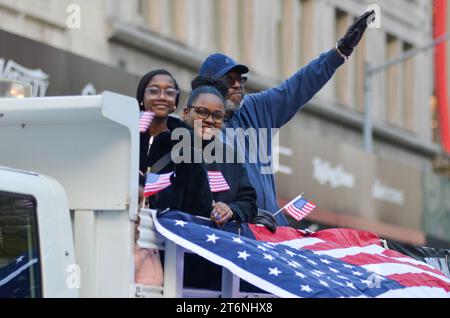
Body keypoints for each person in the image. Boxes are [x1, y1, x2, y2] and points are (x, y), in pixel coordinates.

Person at [198, 11, 375, 226]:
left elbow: (298, 86)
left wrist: (340, 52)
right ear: (208, 86)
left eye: (240, 80)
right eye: (229, 79)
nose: (237, 85)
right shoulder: (195, 129)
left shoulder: (254, 107)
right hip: (231, 234)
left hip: (271, 235)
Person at [136, 69, 213, 217]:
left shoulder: (188, 150)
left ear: (175, 103)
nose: (162, 97)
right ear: (141, 98)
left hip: (166, 235)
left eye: (170, 92)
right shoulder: (124, 139)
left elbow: (200, 210)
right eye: (154, 91)